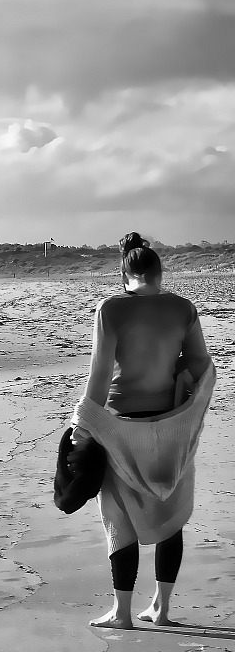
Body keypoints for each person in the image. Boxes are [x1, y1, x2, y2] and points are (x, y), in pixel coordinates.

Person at [74, 231, 212, 629]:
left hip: (121, 427)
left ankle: (122, 613)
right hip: (172, 427)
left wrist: (84, 425)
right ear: (159, 272)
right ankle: (161, 609)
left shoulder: (110, 309)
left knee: (120, 519)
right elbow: (201, 365)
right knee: (171, 514)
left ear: (123, 273)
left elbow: (100, 376)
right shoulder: (183, 308)